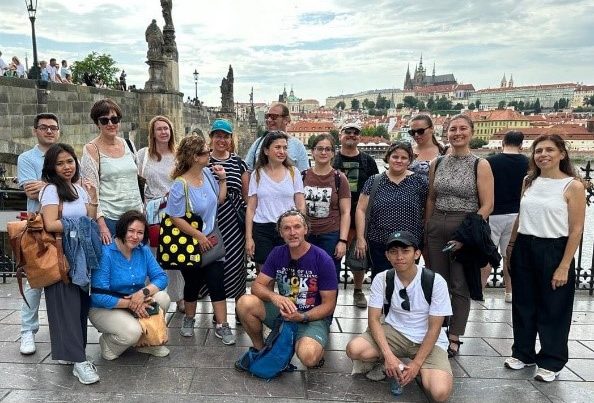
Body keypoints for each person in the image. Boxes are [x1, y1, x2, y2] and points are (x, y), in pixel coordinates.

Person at [504, 134, 585, 383]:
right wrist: (512, 243)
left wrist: (564, 265)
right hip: (526, 245)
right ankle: (523, 352)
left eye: (550, 150)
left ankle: (551, 359)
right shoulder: (529, 181)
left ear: (562, 153)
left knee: (554, 306)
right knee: (523, 303)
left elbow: (576, 229)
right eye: (539, 151)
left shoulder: (573, 186)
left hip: (554, 248)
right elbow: (521, 214)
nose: (543, 155)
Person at [346, 231, 453, 402]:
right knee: (355, 349)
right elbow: (373, 319)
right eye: (394, 251)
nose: (399, 256)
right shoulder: (383, 279)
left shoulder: (435, 281)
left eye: (405, 251)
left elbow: (435, 328)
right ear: (387, 255)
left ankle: (417, 368)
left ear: (417, 253)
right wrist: (388, 356)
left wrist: (416, 365)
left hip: (427, 339)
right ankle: (388, 363)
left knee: (439, 393)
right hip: (395, 332)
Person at [425, 114, 494, 357]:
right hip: (437, 224)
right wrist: (427, 229)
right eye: (453, 129)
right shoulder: (437, 162)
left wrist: (466, 235)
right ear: (446, 133)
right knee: (436, 282)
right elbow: (432, 198)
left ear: (471, 133)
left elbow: (487, 205)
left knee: (459, 283)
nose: (457, 133)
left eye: (462, 128)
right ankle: (437, 331)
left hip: (463, 225)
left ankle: (454, 335)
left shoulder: (480, 164)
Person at [236, 209, 338, 368]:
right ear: (281, 233)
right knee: (245, 302)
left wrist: (303, 317)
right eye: (286, 228)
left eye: (297, 227)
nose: (292, 232)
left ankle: (308, 343)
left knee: (309, 358)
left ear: (306, 229)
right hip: (284, 312)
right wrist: (275, 297)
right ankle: (261, 349)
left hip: (312, 317)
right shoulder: (277, 253)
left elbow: (329, 305)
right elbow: (257, 286)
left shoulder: (323, 259)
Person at [165, 135, 235, 344]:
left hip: (211, 239)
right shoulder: (180, 184)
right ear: (195, 157)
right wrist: (198, 235)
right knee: (192, 283)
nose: (209, 154)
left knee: (216, 281)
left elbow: (219, 200)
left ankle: (222, 325)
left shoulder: (208, 174)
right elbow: (174, 217)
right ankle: (189, 318)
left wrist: (222, 179)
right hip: (191, 242)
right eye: (205, 152)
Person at [40, 143, 100, 384]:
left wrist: (93, 197)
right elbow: (50, 223)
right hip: (62, 254)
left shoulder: (79, 188)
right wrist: (80, 225)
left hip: (81, 256)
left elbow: (92, 217)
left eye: (70, 161)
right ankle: (79, 361)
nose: (66, 167)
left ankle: (73, 354)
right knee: (65, 306)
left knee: (78, 307)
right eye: (60, 163)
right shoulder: (52, 190)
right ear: (52, 167)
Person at [89, 210, 170, 360]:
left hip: (137, 300)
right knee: (132, 332)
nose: (135, 236)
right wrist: (131, 304)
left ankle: (146, 343)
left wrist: (143, 293)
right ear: (122, 229)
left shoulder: (143, 250)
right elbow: (99, 296)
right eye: (131, 231)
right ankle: (108, 344)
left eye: (140, 232)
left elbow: (161, 277)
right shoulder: (106, 252)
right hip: (105, 307)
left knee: (162, 298)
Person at [16, 113, 61, 355]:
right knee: (34, 281)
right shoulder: (27, 158)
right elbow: (31, 192)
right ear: (35, 130)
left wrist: (45, 186)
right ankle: (27, 331)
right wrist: (57, 187)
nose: (49, 131)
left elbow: (71, 188)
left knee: (62, 277)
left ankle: (60, 329)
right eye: (44, 127)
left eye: (53, 128)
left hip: (61, 225)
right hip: (36, 226)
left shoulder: (63, 154)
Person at [355, 142, 428, 278]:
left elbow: (427, 209)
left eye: (404, 158)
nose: (399, 161)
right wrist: (360, 238)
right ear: (388, 158)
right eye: (395, 157)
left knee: (408, 281)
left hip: (409, 244)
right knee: (382, 280)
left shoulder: (419, 182)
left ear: (410, 161)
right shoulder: (374, 180)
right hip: (379, 242)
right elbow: (361, 209)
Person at [137, 116, 184, 312]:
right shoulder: (143, 155)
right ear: (153, 133)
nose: (164, 132)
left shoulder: (178, 155)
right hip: (151, 210)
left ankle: (180, 296)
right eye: (159, 129)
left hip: (174, 208)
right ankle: (152, 294)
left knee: (177, 253)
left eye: (166, 128)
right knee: (153, 253)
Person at [81, 98, 143, 244]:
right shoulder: (91, 149)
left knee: (138, 263)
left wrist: (142, 209)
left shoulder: (129, 144)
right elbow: (91, 191)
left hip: (135, 216)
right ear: (97, 124)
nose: (110, 124)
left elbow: (136, 179)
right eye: (104, 120)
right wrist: (101, 225)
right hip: (111, 219)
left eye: (114, 119)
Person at [333, 122, 379, 308]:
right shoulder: (332, 159)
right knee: (332, 256)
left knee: (359, 257)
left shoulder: (368, 161)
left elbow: (376, 187)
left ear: (359, 137)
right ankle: (330, 290)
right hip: (335, 216)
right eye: (348, 132)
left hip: (360, 216)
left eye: (355, 133)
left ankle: (358, 290)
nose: (351, 135)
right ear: (340, 135)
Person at [245, 131, 305, 272]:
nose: (282, 151)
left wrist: (301, 228)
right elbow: (251, 208)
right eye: (277, 147)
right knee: (265, 275)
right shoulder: (257, 174)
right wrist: (249, 237)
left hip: (288, 228)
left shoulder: (293, 172)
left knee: (290, 273)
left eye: (284, 148)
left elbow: (300, 203)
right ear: (266, 150)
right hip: (263, 228)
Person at [208, 119, 249, 313]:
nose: (221, 140)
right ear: (211, 138)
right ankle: (218, 311)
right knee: (212, 265)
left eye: (225, 136)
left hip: (233, 220)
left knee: (235, 264)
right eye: (218, 136)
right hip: (209, 220)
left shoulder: (238, 162)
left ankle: (240, 309)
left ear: (231, 139)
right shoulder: (203, 160)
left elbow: (246, 196)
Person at [483, 131, 529, 301]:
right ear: (521, 145)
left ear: (503, 142)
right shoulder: (528, 163)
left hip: (493, 213)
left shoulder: (490, 161)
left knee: (487, 254)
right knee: (509, 254)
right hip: (516, 214)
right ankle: (509, 292)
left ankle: (480, 289)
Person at [302, 134, 350, 281]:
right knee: (306, 276)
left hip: (330, 235)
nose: (324, 152)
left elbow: (346, 212)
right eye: (320, 149)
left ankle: (329, 305)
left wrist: (342, 241)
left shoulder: (339, 178)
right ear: (312, 151)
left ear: (333, 153)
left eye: (328, 149)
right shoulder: (302, 176)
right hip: (306, 235)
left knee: (329, 277)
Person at [244, 103, 309, 172]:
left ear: (286, 120)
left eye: (273, 117)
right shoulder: (258, 142)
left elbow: (304, 174)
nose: (269, 120)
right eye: (267, 116)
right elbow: (247, 170)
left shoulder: (297, 145)